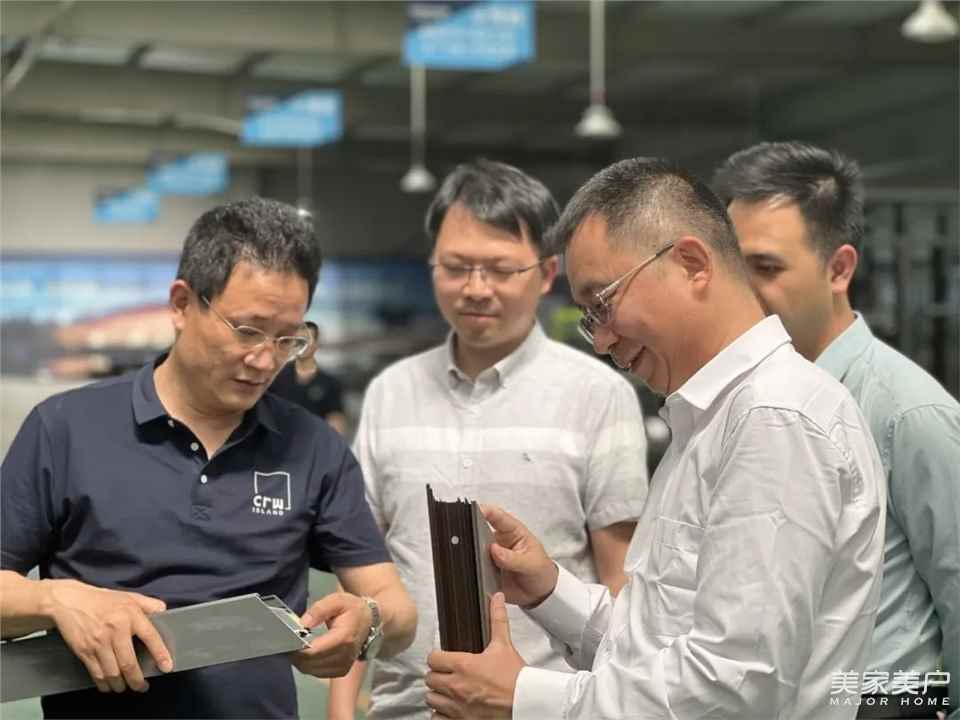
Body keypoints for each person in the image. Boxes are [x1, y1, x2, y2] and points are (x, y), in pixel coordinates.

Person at [423, 157, 887, 719]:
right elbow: (656, 644)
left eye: (603, 304)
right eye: (588, 317)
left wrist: (523, 697)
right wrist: (548, 590)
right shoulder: (710, 419)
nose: (601, 341)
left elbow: (732, 686)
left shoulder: (774, 419)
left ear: (691, 264)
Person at [0, 197, 417, 719]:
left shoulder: (313, 448)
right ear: (181, 304)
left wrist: (368, 620)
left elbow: (396, 609)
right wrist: (55, 601)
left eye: (288, 339)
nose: (265, 360)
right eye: (247, 330)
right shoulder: (63, 429)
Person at [328, 159, 649, 720]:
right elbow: (364, 577)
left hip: (540, 707)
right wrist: (339, 708)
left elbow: (621, 582)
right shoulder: (390, 394)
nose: (476, 289)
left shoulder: (598, 395)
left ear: (546, 273)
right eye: (456, 268)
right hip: (403, 708)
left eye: (500, 269)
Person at [714, 140, 960, 716]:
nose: (743, 290)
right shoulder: (737, 398)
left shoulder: (907, 412)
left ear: (839, 268)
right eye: (733, 266)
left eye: (767, 268)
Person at [269, 320, 348, 435]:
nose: (302, 345)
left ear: (316, 344)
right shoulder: (275, 377)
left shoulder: (330, 383)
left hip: (314, 442)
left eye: (307, 340)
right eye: (298, 340)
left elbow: (336, 423)